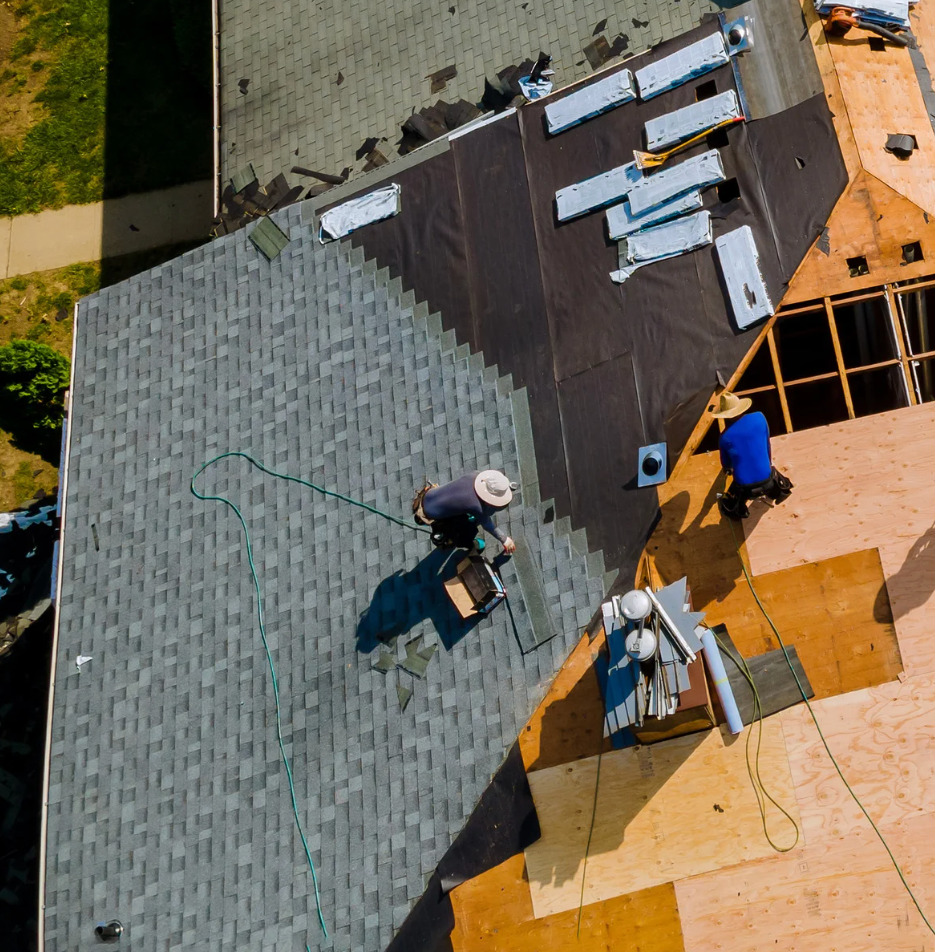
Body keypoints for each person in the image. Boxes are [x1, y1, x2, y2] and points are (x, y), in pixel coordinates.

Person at [712, 391, 793, 520]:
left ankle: (736, 510)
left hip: (745, 489)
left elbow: (727, 466)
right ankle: (778, 491)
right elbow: (767, 444)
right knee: (770, 471)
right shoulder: (759, 417)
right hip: (768, 481)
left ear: (724, 415)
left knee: (728, 503)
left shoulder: (724, 437)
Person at [413, 470, 517, 554]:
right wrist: (505, 540)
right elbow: (487, 524)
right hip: (429, 514)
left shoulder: (475, 475)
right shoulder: (476, 506)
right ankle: (469, 543)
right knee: (466, 531)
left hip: (427, 496)